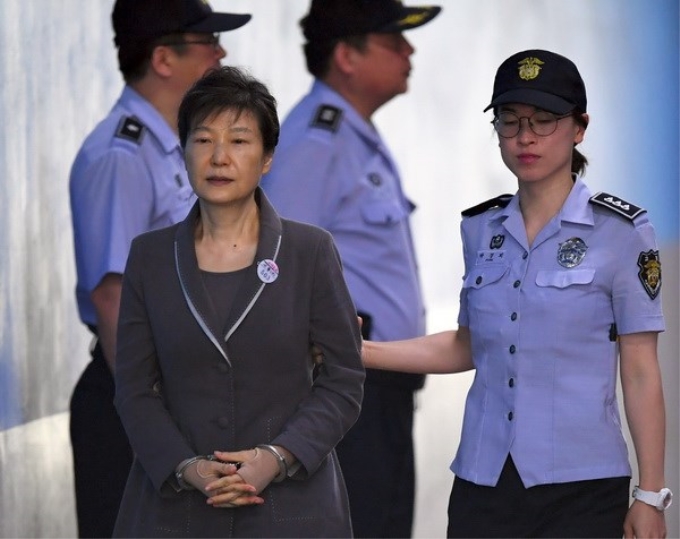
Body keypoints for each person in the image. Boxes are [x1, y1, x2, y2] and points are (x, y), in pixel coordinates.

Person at [362, 49, 670, 538]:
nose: (525, 137)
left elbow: (638, 369)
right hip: (483, 483)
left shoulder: (623, 232)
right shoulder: (480, 228)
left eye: (544, 121)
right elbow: (469, 344)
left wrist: (651, 495)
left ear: (580, 127)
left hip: (583, 486)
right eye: (510, 121)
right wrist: (360, 351)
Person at [111, 65, 364, 538]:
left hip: (291, 510)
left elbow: (343, 380)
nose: (219, 158)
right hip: (176, 512)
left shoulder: (309, 252)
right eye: (203, 140)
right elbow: (133, 388)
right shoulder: (150, 257)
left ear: (267, 157)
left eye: (240, 141)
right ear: (183, 151)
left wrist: (277, 457)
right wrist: (188, 468)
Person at [68, 1, 250, 536]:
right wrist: (158, 426)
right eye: (207, 44)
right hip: (139, 406)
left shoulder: (174, 150)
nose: (221, 55)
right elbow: (112, 298)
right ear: (164, 59)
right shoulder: (121, 156)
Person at [260, 1, 441, 536]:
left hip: (378, 389)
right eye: (393, 41)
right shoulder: (316, 142)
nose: (409, 51)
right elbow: (275, 267)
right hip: (344, 395)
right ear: (346, 56)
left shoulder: (352, 135)